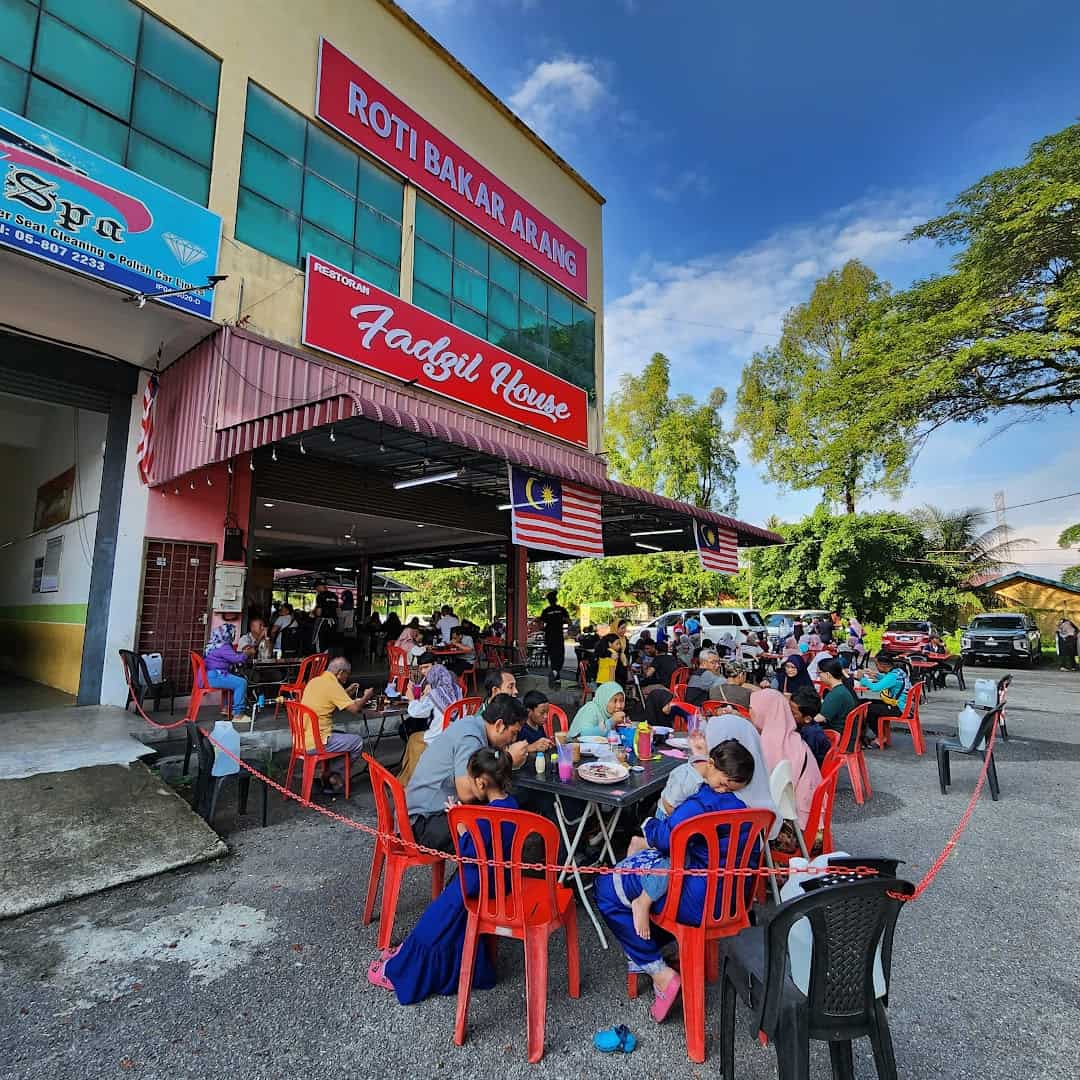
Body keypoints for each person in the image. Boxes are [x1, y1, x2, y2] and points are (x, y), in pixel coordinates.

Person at [596, 739, 763, 1021]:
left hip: (695, 900)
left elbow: (665, 840)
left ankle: (657, 970)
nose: (722, 790)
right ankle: (660, 946)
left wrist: (649, 824)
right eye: (723, 784)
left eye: (727, 786)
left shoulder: (699, 805)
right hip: (732, 901)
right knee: (652, 872)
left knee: (606, 887)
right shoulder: (746, 810)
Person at [371, 748, 516, 1002]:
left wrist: (458, 824)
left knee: (435, 921)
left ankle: (401, 971)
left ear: (481, 781)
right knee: (447, 916)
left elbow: (470, 852)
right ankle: (431, 959)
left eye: (471, 781)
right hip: (500, 881)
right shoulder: (511, 804)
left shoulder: (487, 818)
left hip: (477, 881)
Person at [626, 740, 757, 942]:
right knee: (676, 857)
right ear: (711, 764)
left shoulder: (707, 787)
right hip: (672, 823)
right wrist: (654, 827)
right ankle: (644, 898)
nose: (722, 791)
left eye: (731, 790)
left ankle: (642, 861)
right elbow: (669, 811)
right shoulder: (689, 781)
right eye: (722, 785)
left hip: (686, 836)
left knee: (679, 855)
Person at [405, 694, 528, 852]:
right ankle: (476, 876)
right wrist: (508, 759)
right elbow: (467, 793)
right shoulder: (471, 739)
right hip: (424, 821)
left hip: (433, 811)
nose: (513, 739)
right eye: (513, 733)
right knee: (491, 836)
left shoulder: (472, 723)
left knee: (503, 819)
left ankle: (490, 873)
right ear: (499, 725)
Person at [299, 657, 375, 790]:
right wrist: (366, 697)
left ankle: (329, 773)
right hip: (317, 742)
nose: (348, 677)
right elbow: (355, 709)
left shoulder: (315, 681)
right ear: (340, 672)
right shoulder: (333, 686)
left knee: (343, 736)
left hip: (303, 738)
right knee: (356, 742)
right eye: (347, 673)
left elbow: (330, 700)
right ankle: (333, 775)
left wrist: (347, 692)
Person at [751, 688, 821, 831]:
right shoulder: (790, 737)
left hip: (795, 827)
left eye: (752, 708)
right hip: (812, 817)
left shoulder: (771, 743)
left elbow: (762, 790)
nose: (750, 712)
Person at [397, 653, 465, 785]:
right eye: (421, 668)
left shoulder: (435, 693)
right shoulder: (456, 689)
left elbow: (415, 712)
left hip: (440, 736)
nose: (424, 672)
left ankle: (411, 781)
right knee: (413, 736)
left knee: (413, 738)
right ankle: (405, 777)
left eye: (427, 668)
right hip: (455, 733)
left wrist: (411, 698)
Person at [203, 623, 253, 724]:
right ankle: (238, 714)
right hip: (215, 677)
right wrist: (246, 654)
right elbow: (236, 659)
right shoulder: (224, 646)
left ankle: (226, 708)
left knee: (232, 680)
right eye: (233, 633)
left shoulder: (214, 644)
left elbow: (228, 657)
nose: (234, 636)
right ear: (228, 635)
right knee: (241, 682)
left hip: (210, 676)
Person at [858, 652, 910, 747]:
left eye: (876, 665)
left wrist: (862, 679)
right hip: (902, 705)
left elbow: (875, 688)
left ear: (883, 665)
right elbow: (887, 679)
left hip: (898, 708)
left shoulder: (892, 676)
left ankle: (879, 736)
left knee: (867, 708)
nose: (876, 667)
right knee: (865, 702)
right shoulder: (898, 671)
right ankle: (873, 735)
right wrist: (876, 675)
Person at [816, 657, 859, 743]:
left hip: (837, 736)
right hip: (845, 733)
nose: (818, 676)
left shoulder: (836, 694)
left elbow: (820, 718)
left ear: (828, 675)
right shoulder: (842, 690)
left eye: (819, 673)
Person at [789, 687, 830, 767]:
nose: (789, 714)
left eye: (793, 713)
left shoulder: (811, 734)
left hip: (814, 769)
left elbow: (805, 761)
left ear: (807, 719)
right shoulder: (804, 725)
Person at [538, 590, 571, 687]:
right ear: (556, 599)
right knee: (560, 655)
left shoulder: (546, 611)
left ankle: (555, 672)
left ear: (549, 601)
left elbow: (541, 624)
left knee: (553, 656)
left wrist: (545, 628)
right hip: (558, 636)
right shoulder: (561, 610)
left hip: (549, 636)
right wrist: (562, 621)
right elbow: (569, 622)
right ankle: (556, 672)